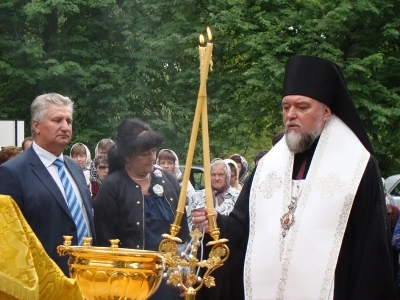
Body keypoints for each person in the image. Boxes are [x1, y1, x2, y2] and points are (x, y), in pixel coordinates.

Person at [192, 56, 397, 299]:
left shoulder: (357, 167)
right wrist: (216, 224)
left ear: (326, 112)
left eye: (302, 107)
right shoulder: (269, 166)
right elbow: (243, 228)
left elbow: (371, 254)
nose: (291, 115)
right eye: (286, 107)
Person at [93, 118, 189, 300]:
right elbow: (105, 240)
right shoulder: (112, 187)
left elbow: (183, 234)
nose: (152, 157)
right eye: (145, 153)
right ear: (127, 156)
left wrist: (186, 273)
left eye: (153, 151)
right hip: (130, 284)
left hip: (170, 283)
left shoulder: (168, 181)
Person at [0, 93, 95, 276]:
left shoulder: (74, 168)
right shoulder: (13, 172)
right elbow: (10, 239)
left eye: (69, 121)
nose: (65, 127)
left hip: (87, 276)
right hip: (44, 281)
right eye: (57, 120)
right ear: (36, 125)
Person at [188, 158, 240, 229]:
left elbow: (240, 225)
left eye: (221, 174)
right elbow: (188, 224)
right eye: (213, 174)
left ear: (227, 176)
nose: (216, 178)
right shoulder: (196, 196)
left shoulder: (238, 197)